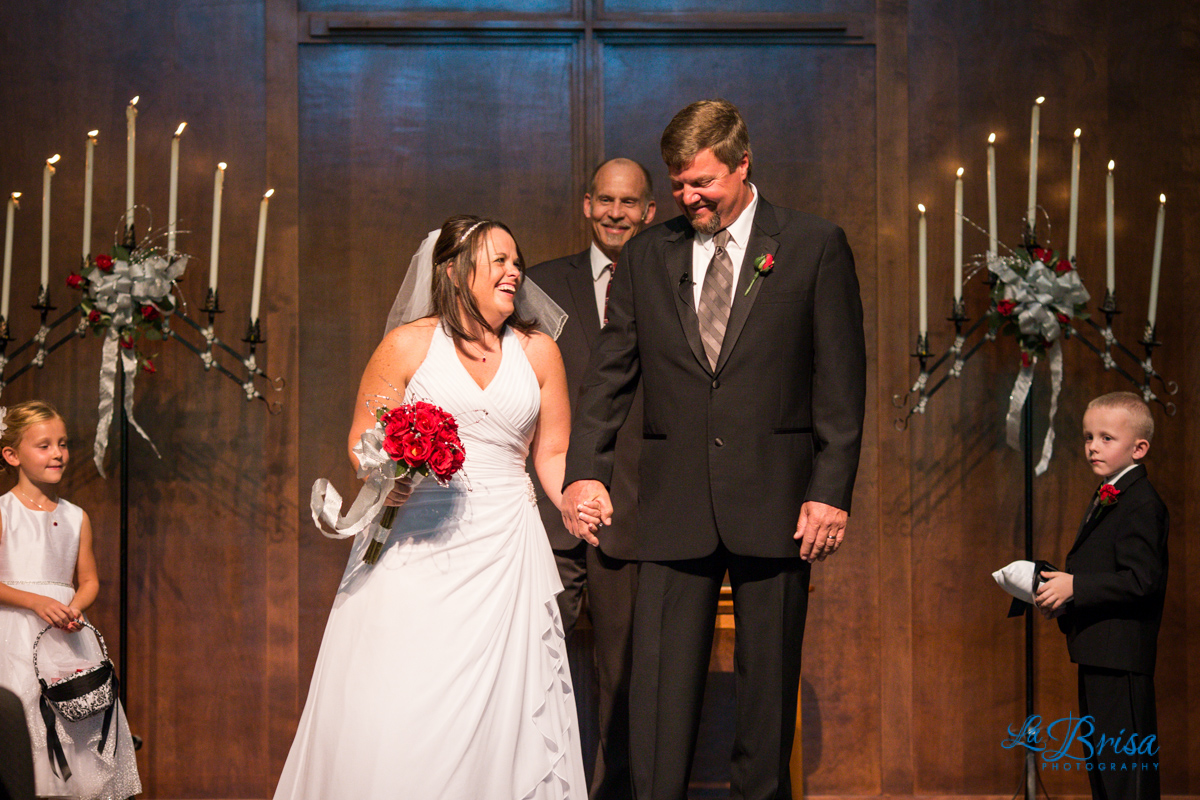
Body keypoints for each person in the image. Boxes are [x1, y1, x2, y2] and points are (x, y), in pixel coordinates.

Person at [561, 99, 866, 800]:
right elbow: (610, 375)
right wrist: (585, 472)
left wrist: (830, 491)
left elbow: (840, 383)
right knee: (658, 695)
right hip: (672, 503)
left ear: (742, 165)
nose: (689, 197)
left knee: (767, 694)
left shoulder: (814, 244)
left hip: (778, 500)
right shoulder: (648, 254)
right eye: (678, 184)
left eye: (703, 182)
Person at [274, 216, 595, 800]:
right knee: (407, 699)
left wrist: (571, 495)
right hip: (419, 544)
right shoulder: (408, 345)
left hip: (507, 550)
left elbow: (552, 452)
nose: (514, 272)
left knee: (505, 709)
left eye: (516, 261)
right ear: (451, 271)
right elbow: (363, 441)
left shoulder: (539, 351)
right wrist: (385, 474)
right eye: (498, 261)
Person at [527, 157, 656, 800]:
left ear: (649, 212)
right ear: (586, 205)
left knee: (622, 679)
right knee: (531, 669)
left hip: (630, 512)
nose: (615, 212)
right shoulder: (540, 285)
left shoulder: (669, 282)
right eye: (605, 200)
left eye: (629, 203)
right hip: (548, 515)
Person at [0, 400, 141, 800]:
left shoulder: (77, 516)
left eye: (62, 444)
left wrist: (76, 606)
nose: (58, 453)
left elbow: (90, 579)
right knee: (27, 720)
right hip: (14, 636)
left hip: (66, 638)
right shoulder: (4, 512)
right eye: (44, 445)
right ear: (12, 455)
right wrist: (34, 602)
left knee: (77, 721)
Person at [1036, 391, 1167, 799]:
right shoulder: (1109, 494)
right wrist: (1062, 594)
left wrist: (1075, 586)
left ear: (1139, 448)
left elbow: (1142, 581)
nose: (1093, 446)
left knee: (1127, 775)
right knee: (1105, 772)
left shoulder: (1141, 502)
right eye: (1089, 437)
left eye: (1107, 438)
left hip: (1121, 658)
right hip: (1099, 653)